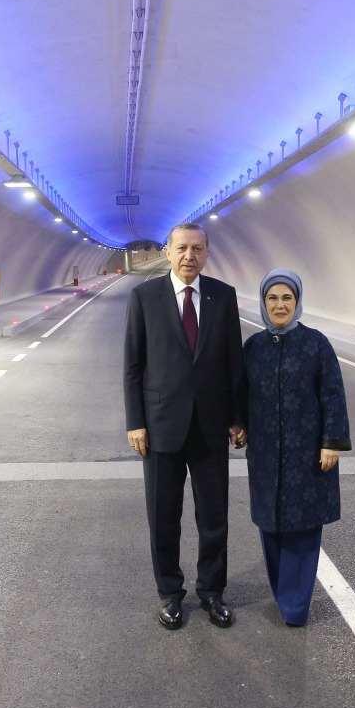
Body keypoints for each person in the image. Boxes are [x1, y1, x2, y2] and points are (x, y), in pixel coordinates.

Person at [123, 223, 246, 630]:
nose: (189, 256)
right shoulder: (144, 297)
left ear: (206, 253)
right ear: (168, 251)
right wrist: (136, 422)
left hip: (211, 425)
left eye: (197, 249)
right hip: (161, 426)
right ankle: (170, 593)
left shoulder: (222, 296)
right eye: (181, 248)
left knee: (213, 517)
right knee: (163, 517)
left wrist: (237, 417)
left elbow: (233, 361)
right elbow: (133, 365)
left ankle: (212, 591)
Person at [243, 269, 350, 626]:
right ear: (263, 302)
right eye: (272, 298)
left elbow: (333, 395)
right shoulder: (253, 347)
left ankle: (295, 606)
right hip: (265, 453)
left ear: (297, 301)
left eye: (287, 298)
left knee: (303, 528)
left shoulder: (316, 344)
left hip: (307, 453)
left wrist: (331, 443)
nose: (280, 305)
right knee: (270, 524)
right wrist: (237, 425)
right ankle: (283, 596)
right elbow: (241, 393)